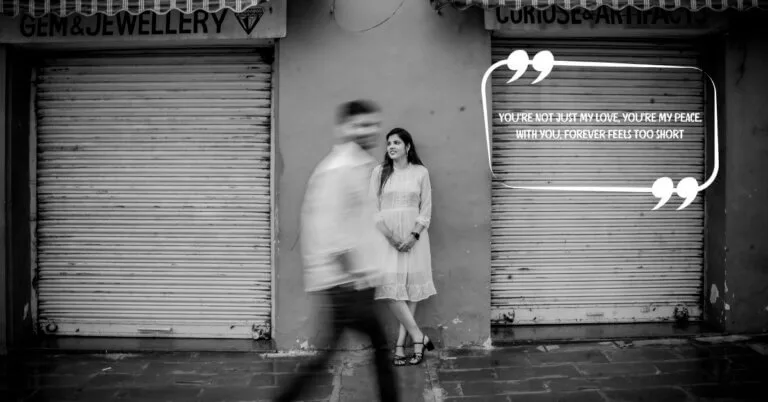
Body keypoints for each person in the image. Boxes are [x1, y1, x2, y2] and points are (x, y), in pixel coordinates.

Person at [273, 100, 399, 402]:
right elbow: (328, 229)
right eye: (360, 125)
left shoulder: (360, 165)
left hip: (353, 283)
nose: (368, 130)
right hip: (346, 285)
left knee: (333, 356)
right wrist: (354, 276)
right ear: (343, 128)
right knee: (373, 351)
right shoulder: (340, 168)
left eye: (371, 125)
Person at [370, 128, 436, 366]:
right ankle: (419, 336)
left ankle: (401, 345)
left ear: (408, 146)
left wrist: (413, 236)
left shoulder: (421, 172)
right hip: (386, 240)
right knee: (390, 290)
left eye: (397, 142)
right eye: (389, 143)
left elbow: (425, 209)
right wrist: (391, 238)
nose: (391, 146)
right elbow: (372, 211)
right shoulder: (380, 172)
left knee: (410, 291)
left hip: (415, 239)